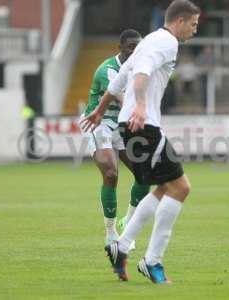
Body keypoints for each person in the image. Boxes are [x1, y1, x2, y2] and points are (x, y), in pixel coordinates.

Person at [80, 0, 200, 284]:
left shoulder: (148, 41)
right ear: (179, 21)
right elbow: (142, 72)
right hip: (143, 124)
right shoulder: (167, 43)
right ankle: (152, 261)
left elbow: (120, 78)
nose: (195, 31)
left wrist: (99, 110)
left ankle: (121, 247)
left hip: (131, 125)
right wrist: (142, 106)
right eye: (193, 25)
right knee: (181, 187)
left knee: (163, 188)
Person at [81, 29, 150, 248]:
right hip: (99, 122)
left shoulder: (140, 69)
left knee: (144, 172)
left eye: (137, 47)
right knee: (111, 173)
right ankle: (110, 232)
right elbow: (123, 100)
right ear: (119, 48)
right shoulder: (108, 70)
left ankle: (127, 223)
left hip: (121, 124)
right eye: (130, 46)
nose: (134, 50)